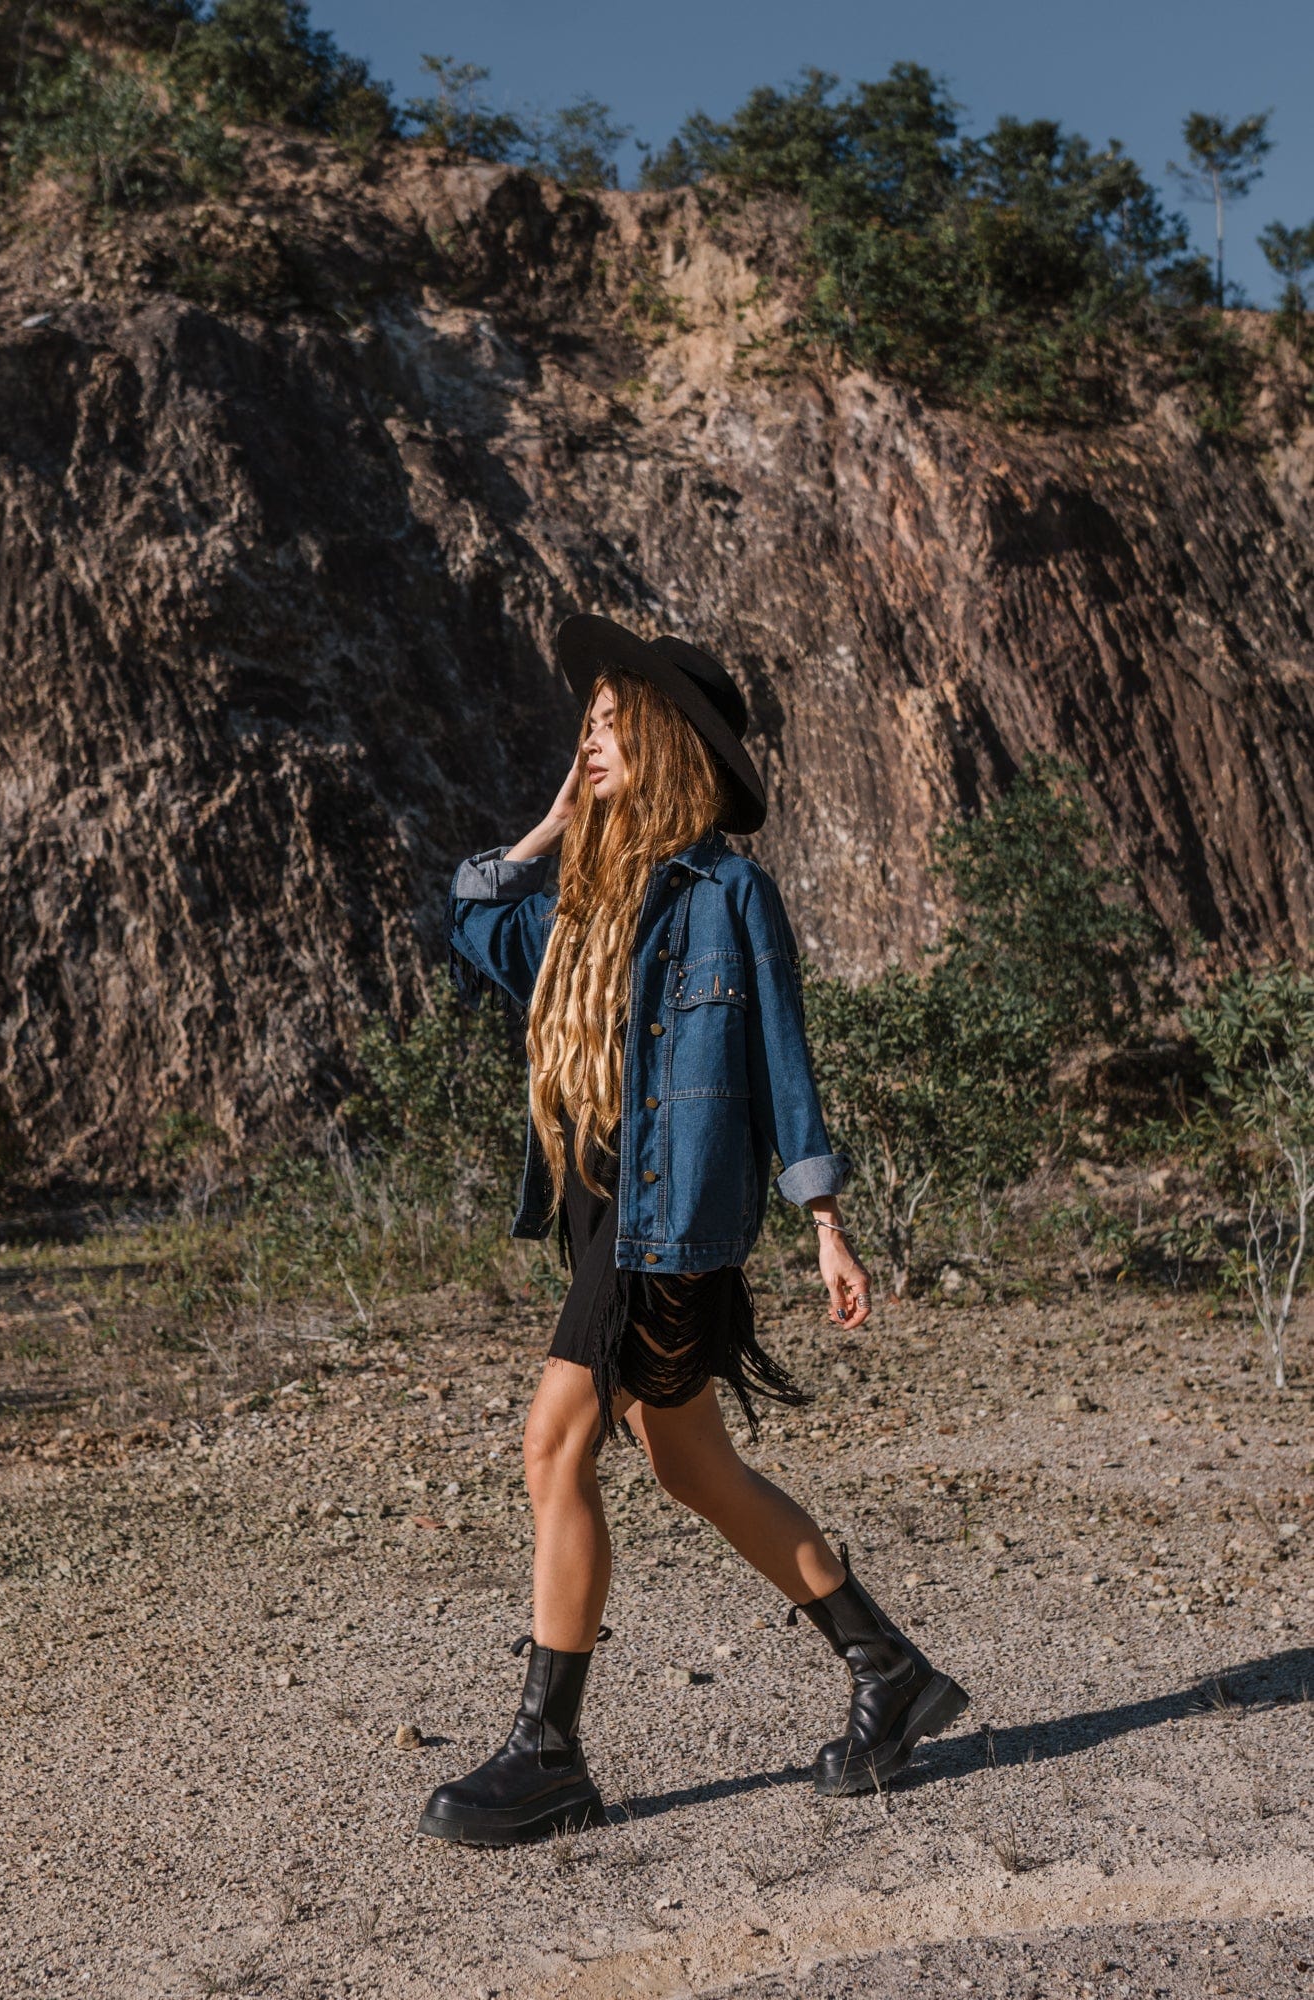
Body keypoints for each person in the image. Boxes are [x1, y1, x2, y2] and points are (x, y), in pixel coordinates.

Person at [418, 614, 968, 1847]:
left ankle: (547, 1752)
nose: (594, 744)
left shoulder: (727, 893)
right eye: (586, 729)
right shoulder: (586, 897)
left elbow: (783, 1057)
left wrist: (824, 1219)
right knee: (690, 1465)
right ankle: (891, 1673)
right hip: (609, 1217)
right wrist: (556, 820)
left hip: (667, 1232)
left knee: (552, 1445)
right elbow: (469, 922)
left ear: (667, 740)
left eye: (614, 727)